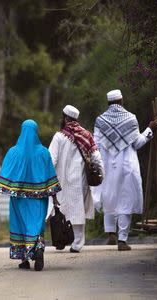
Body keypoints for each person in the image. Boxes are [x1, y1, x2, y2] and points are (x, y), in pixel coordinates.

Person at [91, 89, 157, 251]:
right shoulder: (130, 118)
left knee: (109, 196)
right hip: (127, 166)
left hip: (106, 166)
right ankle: (122, 240)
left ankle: (110, 234)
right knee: (125, 199)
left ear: (109, 103)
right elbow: (137, 143)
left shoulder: (100, 121)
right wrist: (150, 130)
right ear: (121, 101)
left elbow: (96, 145)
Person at [0, 120, 61, 271]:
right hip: (39, 200)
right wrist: (55, 198)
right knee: (36, 226)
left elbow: (4, 173)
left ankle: (24, 259)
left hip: (18, 199)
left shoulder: (13, 152)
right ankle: (38, 249)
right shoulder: (43, 152)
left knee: (20, 225)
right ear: (36, 132)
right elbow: (50, 175)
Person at [48, 105, 104, 253]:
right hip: (80, 181)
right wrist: (101, 173)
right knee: (77, 210)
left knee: (61, 209)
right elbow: (96, 156)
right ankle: (77, 243)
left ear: (65, 118)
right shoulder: (86, 135)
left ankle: (61, 238)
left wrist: (47, 176)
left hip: (62, 180)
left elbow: (51, 160)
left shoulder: (59, 137)